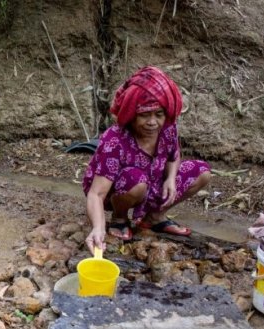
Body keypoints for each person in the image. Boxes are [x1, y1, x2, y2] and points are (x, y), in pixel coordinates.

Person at [83, 66, 211, 254]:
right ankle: (119, 218)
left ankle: (154, 217)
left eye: (159, 115)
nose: (152, 122)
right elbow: (97, 193)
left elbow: (173, 155)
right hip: (117, 191)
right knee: (136, 180)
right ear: (131, 115)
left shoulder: (168, 128)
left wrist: (170, 179)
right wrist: (98, 228)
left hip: (151, 183)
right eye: (144, 115)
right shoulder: (115, 139)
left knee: (202, 172)